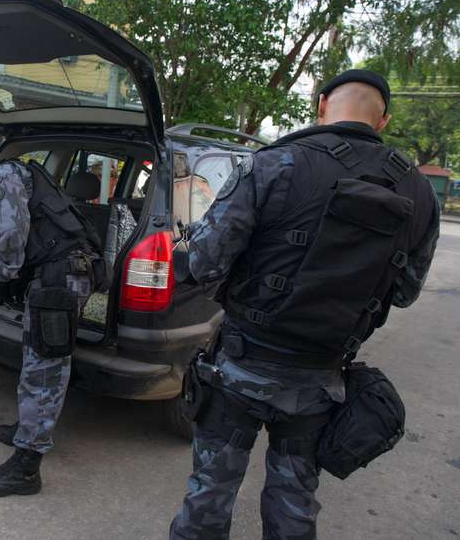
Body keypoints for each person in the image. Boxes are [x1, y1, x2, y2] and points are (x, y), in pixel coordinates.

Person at [169, 70, 440, 539]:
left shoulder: (274, 163)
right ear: (385, 120)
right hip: (321, 378)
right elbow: (406, 292)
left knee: (210, 493)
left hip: (241, 369)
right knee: (294, 503)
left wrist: (181, 253)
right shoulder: (419, 194)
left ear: (320, 106)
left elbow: (204, 264)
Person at [0, 154, 108, 497]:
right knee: (38, 357)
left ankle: (26, 467)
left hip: (59, 278)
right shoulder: (16, 172)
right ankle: (30, 426)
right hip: (58, 274)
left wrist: (0, 280)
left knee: (45, 368)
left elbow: (9, 239)